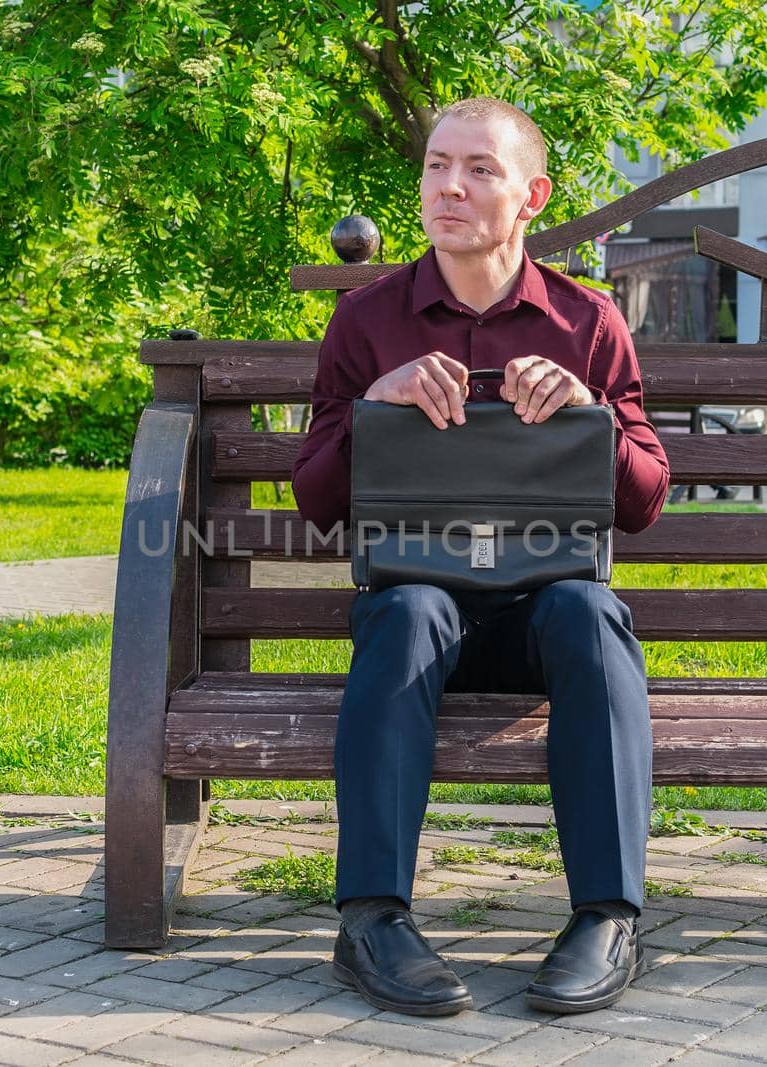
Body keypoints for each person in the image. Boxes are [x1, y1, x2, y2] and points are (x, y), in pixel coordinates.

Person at [291, 97, 671, 1017]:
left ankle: (606, 918)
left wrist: (589, 414)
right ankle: (373, 920)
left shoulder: (587, 321)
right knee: (410, 605)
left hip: (542, 621)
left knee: (592, 611)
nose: (448, 187)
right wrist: (377, 405)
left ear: (531, 195)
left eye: (479, 169)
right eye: (434, 165)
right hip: (419, 618)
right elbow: (315, 499)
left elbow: (646, 497)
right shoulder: (368, 323)